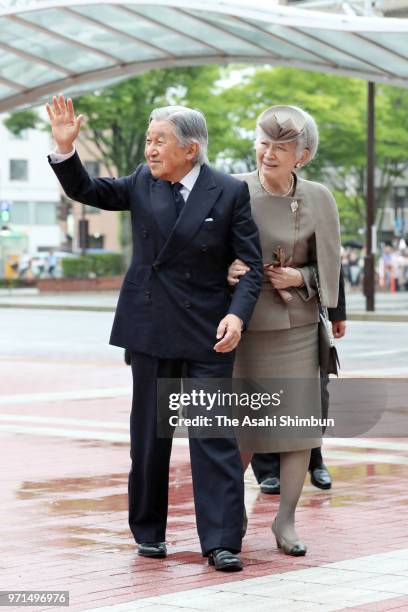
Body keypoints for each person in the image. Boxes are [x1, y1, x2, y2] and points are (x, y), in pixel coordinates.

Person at [46, 95, 263, 572]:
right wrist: (65, 149)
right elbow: (89, 190)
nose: (149, 150)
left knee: (213, 435)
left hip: (210, 330)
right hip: (149, 326)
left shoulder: (228, 191)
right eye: (148, 140)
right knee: (148, 437)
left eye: (159, 140)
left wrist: (238, 316)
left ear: (191, 148)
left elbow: (251, 267)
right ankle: (148, 532)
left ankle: (222, 541)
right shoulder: (143, 183)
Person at [229, 105, 341, 556]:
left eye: (281, 147)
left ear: (303, 155)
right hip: (244, 327)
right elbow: (202, 251)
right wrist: (229, 269)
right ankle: (230, 514)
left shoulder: (319, 197)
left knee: (297, 430)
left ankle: (286, 521)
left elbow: (330, 267)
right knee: (240, 430)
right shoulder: (231, 190)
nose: (268, 153)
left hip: (296, 327)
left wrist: (302, 278)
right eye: (263, 142)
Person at [250, 268, 346, 495]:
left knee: (314, 393)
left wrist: (337, 312)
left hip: (307, 305)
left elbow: (330, 256)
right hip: (259, 308)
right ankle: (268, 469)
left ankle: (315, 460)